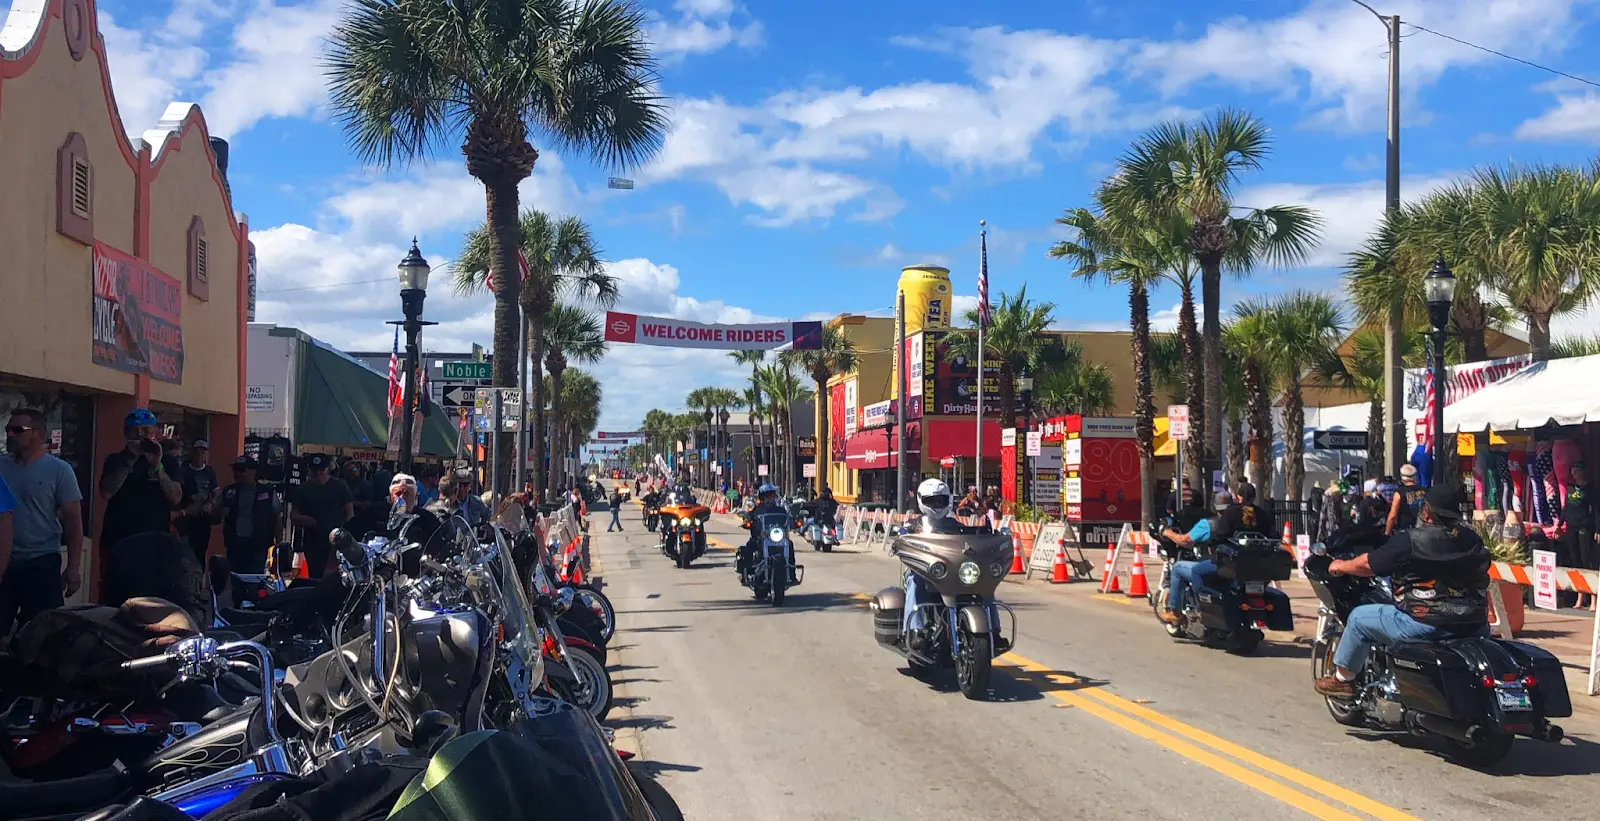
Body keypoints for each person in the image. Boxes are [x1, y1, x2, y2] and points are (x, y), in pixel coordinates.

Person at [1314, 486, 1491, 697]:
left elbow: (1368, 565)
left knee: (1359, 619)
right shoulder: (1472, 539)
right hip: (1473, 622)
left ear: (1426, 512)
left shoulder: (1411, 540)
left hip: (1426, 623)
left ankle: (1342, 680)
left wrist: (1341, 566)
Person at [0, 409, 83, 635]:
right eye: (8, 429)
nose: (10, 434)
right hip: (5, 562)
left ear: (37, 433)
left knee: (43, 632)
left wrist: (73, 568)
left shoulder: (59, 470)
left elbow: (73, 521)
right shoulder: (2, 466)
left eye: (18, 430)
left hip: (41, 561)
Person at [1158, 483, 1274, 624]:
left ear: (1238, 497)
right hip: (1254, 565)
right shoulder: (1262, 515)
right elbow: (1273, 537)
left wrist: (1213, 546)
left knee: (1182, 569)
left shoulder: (1229, 514)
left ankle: (1183, 610)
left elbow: (1218, 537)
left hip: (1230, 564)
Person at [98, 408, 182, 553]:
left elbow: (175, 498)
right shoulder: (115, 460)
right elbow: (106, 493)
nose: (140, 435)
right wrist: (129, 460)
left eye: (145, 430)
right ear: (126, 433)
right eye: (135, 431)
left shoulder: (168, 461)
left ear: (154, 431)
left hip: (156, 540)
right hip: (118, 539)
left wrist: (158, 467)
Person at [289, 453, 353, 578]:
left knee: (336, 575)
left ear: (327, 468)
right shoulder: (304, 489)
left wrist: (346, 533)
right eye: (314, 470)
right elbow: (294, 515)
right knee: (315, 574)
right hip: (313, 540)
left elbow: (349, 512)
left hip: (336, 539)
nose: (318, 473)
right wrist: (307, 520)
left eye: (321, 469)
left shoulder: (339, 486)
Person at [216, 457, 279, 574]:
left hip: (258, 546)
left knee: (253, 580)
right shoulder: (228, 491)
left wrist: (277, 548)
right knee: (235, 579)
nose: (237, 473)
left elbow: (277, 520)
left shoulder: (267, 492)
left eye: (242, 470)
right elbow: (215, 518)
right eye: (235, 470)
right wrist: (219, 512)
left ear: (253, 471)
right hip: (235, 546)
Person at [1560, 462, 1598, 610]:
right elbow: (1566, 508)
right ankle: (1580, 597)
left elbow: (1596, 511)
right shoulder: (1570, 488)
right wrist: (1559, 524)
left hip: (1585, 527)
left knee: (1587, 560)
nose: (1574, 473)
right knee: (1575, 561)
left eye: (1577, 470)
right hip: (1571, 527)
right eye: (1573, 471)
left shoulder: (1590, 490)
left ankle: (1593, 599)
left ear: (1582, 472)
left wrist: (1598, 530)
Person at [177, 440, 218, 563]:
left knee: (200, 553)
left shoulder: (209, 471)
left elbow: (216, 491)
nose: (200, 456)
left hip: (203, 519)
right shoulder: (184, 470)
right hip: (186, 518)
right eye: (197, 453)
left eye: (203, 453)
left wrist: (210, 503)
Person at [738, 483, 788, 578]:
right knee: (748, 549)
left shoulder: (780, 510)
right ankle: (746, 574)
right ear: (762, 497)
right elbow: (749, 516)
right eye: (767, 496)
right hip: (759, 537)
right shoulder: (757, 510)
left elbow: (787, 519)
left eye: (771, 496)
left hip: (776, 538)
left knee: (790, 545)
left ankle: (792, 574)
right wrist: (747, 520)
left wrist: (795, 522)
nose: (769, 498)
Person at [1386, 463, 1426, 535]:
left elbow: (1393, 515)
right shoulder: (1425, 490)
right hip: (1423, 529)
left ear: (1402, 477)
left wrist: (1387, 532)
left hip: (1406, 530)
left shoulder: (1399, 492)